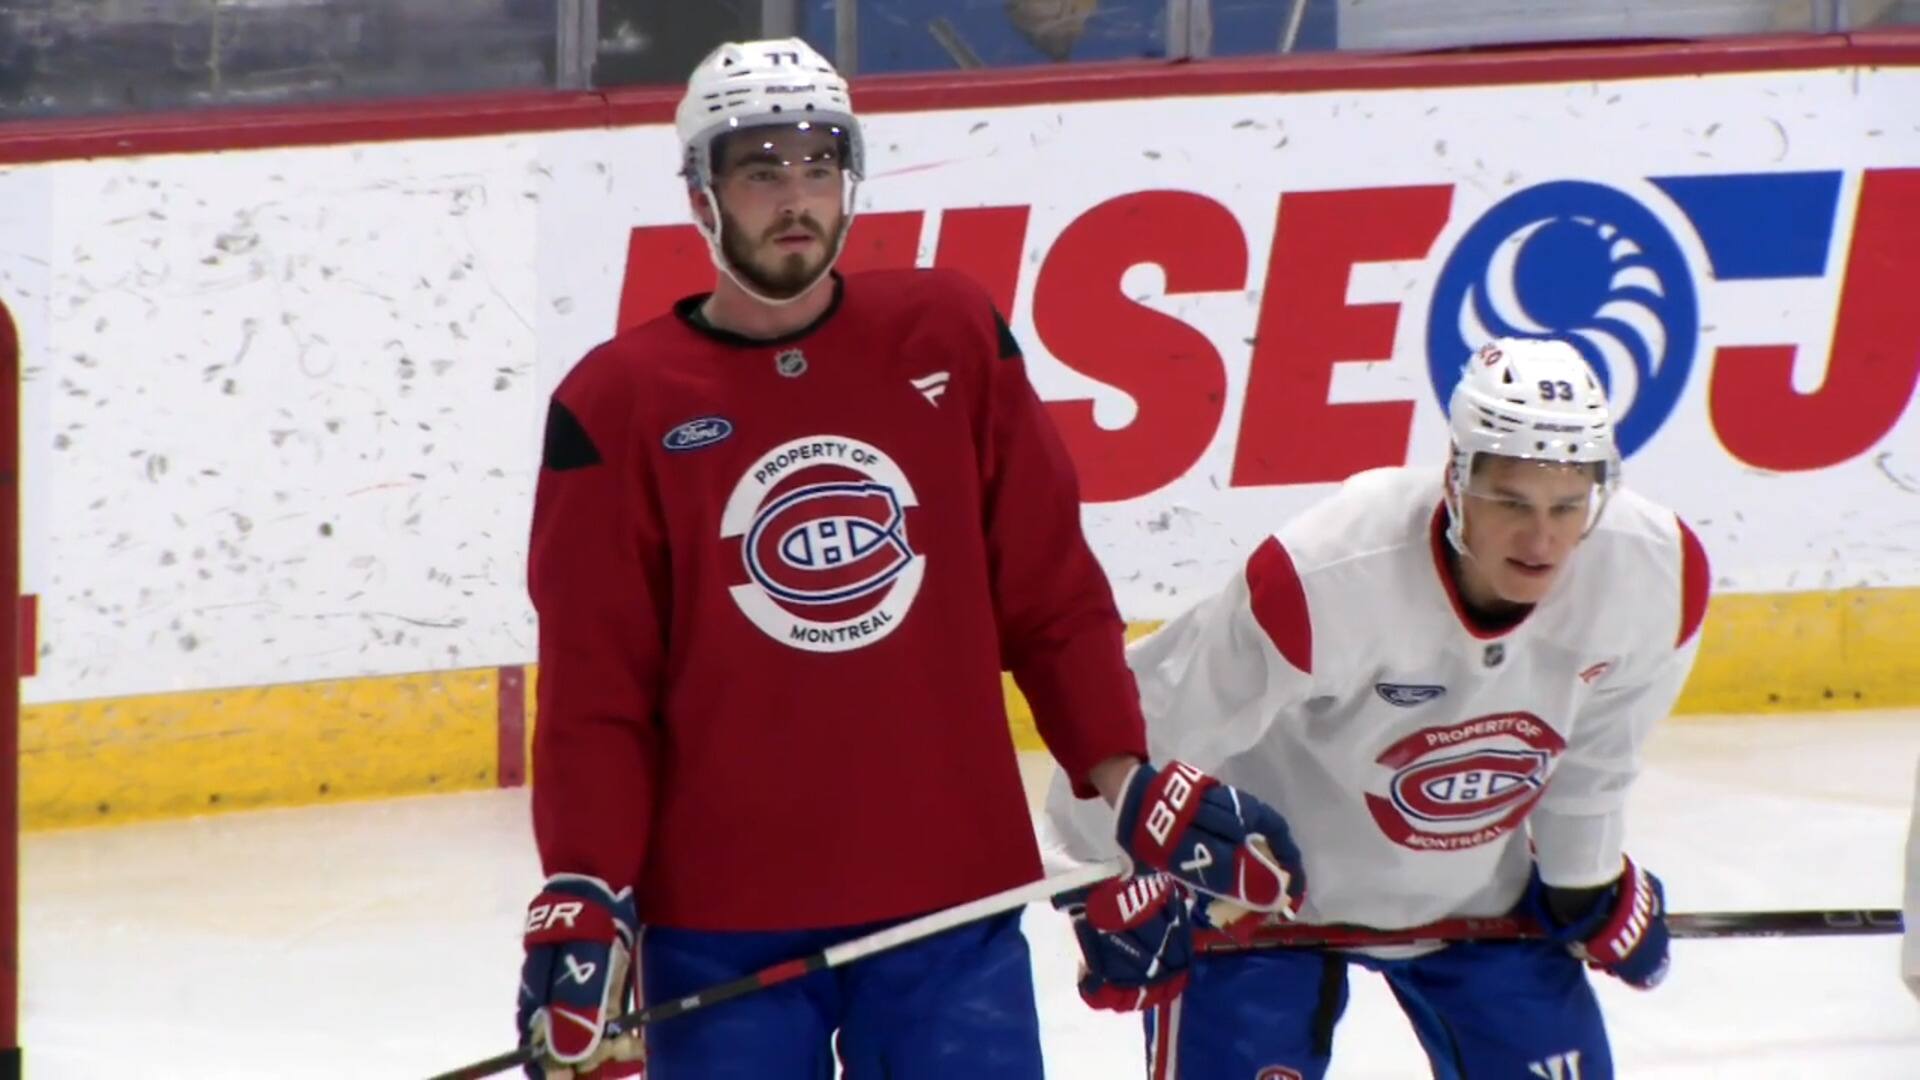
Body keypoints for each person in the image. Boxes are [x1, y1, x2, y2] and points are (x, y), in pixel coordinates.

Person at [511, 37, 1302, 1079]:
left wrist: (1121, 780)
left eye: (818, 163)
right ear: (703, 194)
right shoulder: (615, 404)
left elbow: (1051, 593)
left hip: (949, 898)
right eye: (759, 168)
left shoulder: (949, 335)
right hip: (718, 913)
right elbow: (595, 693)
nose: (796, 196)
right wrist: (587, 886)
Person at [1045, 337, 1711, 1078]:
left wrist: (1584, 880)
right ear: (1457, 482)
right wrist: (1099, 881)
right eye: (1511, 502)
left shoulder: (1655, 571)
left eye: (1566, 506)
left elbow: (1595, 755)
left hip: (1480, 901)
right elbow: (1141, 723)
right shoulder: (1327, 572)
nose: (1543, 537)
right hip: (1253, 901)